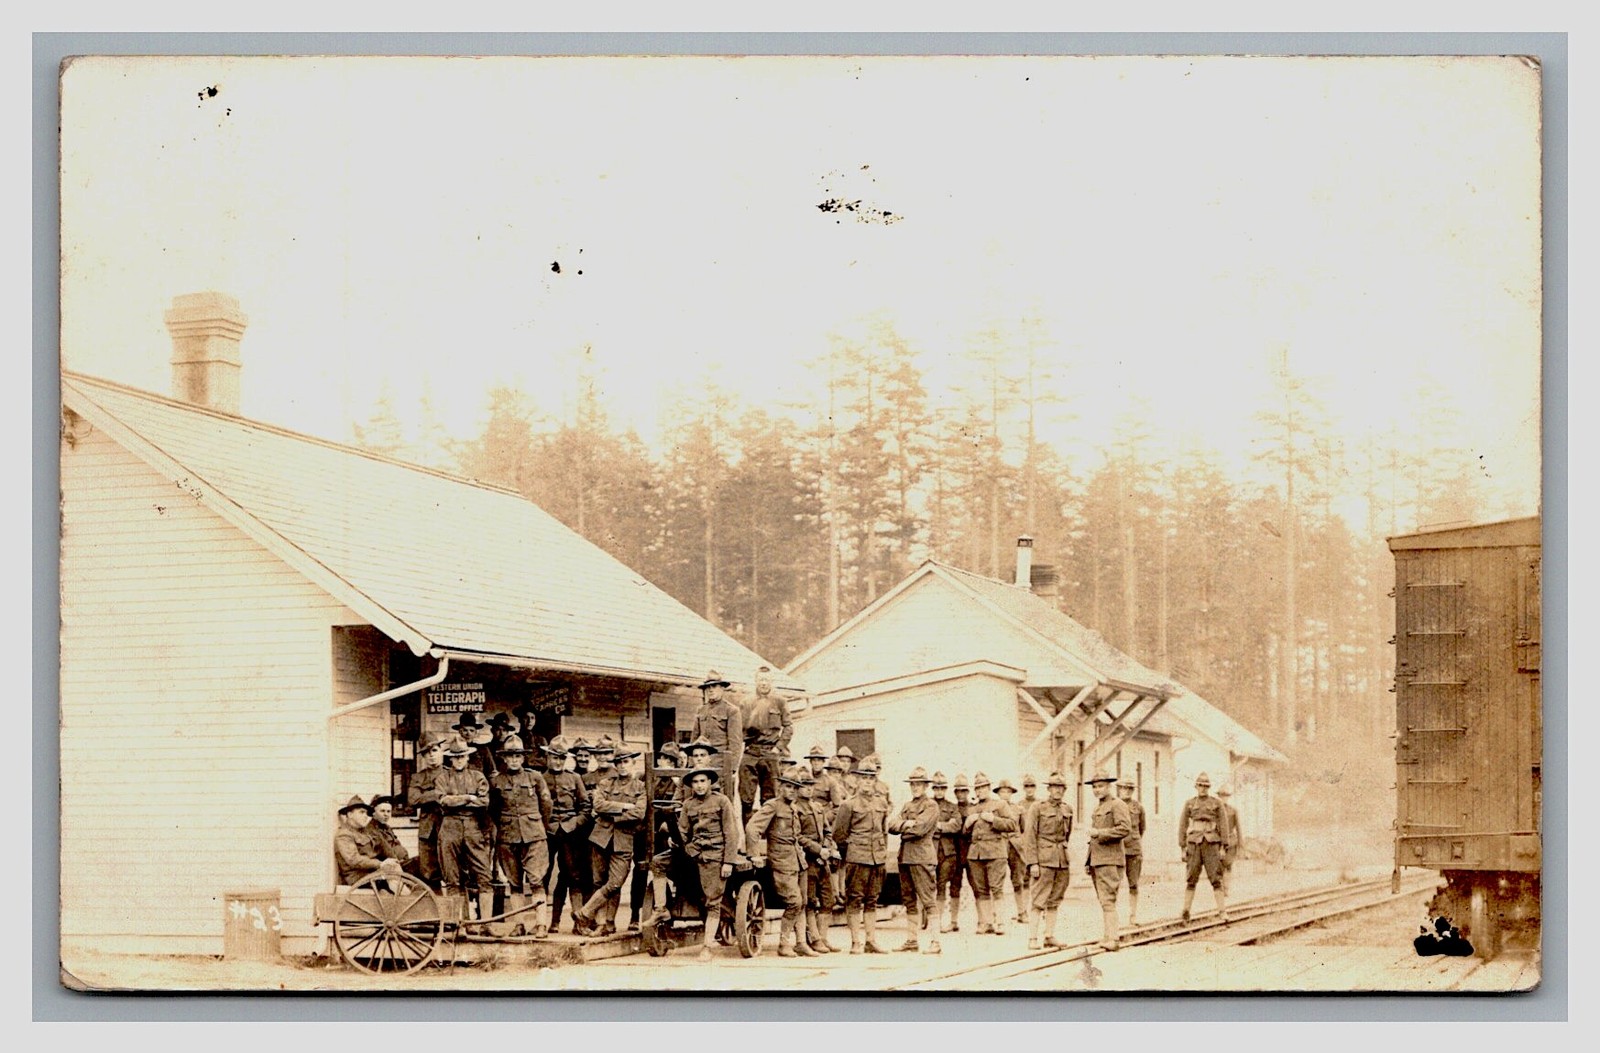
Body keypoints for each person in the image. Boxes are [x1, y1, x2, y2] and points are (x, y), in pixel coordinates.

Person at [573, 745, 646, 937]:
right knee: (599, 882)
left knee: (615, 882)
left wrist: (611, 815)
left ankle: (585, 912)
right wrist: (624, 806)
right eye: (619, 762)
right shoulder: (606, 783)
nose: (622, 766)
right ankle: (605, 924)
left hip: (624, 840)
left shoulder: (640, 786)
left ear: (633, 763)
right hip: (600, 838)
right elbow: (597, 805)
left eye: (626, 762)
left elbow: (639, 812)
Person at [745, 767, 817, 957]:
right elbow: (752, 828)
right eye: (788, 787)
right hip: (781, 862)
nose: (792, 791)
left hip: (798, 861)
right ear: (780, 787)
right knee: (794, 902)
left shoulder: (793, 808)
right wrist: (754, 854)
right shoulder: (772, 806)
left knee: (803, 902)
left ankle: (801, 942)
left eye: (795, 788)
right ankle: (784, 945)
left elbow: (796, 836)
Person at [489, 734, 554, 937]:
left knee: (536, 880)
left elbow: (547, 805)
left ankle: (541, 924)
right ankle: (519, 924)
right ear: (504, 758)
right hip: (508, 837)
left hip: (534, 836)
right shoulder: (496, 781)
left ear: (523, 758)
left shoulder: (535, 777)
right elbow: (492, 810)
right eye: (510, 756)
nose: (514, 760)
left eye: (518, 755)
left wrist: (539, 827)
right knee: (514, 883)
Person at [678, 763, 742, 962]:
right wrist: (684, 844)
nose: (698, 785)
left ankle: (707, 946)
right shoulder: (688, 805)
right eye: (695, 782)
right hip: (696, 854)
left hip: (716, 855)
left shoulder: (721, 801)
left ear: (710, 782)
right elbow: (683, 830)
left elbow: (731, 833)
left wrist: (728, 862)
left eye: (702, 781)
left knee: (713, 901)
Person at [832, 758, 890, 954]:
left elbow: (883, 831)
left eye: (871, 778)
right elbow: (839, 834)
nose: (867, 782)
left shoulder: (881, 802)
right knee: (855, 899)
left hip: (877, 858)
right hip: (857, 858)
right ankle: (856, 941)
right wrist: (852, 853)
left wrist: (882, 854)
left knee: (872, 899)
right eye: (864, 778)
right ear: (857, 780)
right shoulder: (848, 805)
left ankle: (871, 940)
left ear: (875, 780)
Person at [437, 736, 495, 932]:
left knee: (483, 875)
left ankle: (485, 924)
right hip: (450, 827)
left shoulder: (478, 776)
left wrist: (459, 800)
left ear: (467, 757)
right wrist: (469, 797)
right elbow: (443, 801)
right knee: (453, 877)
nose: (459, 760)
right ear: (450, 759)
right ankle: (459, 924)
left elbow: (484, 802)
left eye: (462, 756)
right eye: (455, 757)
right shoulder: (443, 778)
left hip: (473, 826)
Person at [888, 766, 941, 954]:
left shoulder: (931, 805)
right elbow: (891, 825)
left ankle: (935, 942)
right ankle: (912, 940)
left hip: (922, 858)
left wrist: (905, 828)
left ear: (925, 786)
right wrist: (906, 824)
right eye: (912, 784)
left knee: (928, 900)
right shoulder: (907, 806)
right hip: (905, 858)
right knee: (908, 900)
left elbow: (920, 829)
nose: (915, 787)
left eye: (919, 784)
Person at [542, 736, 592, 933]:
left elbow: (585, 806)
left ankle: (578, 922)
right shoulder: (540, 778)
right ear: (548, 757)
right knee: (542, 876)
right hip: (548, 832)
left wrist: (575, 823)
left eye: (562, 758)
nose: (558, 762)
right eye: (555, 757)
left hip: (570, 834)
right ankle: (546, 922)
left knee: (573, 876)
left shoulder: (574, 778)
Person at [1021, 772, 1075, 949]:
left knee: (1055, 899)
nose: (1057, 791)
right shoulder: (1038, 808)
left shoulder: (1067, 809)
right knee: (1038, 899)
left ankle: (1049, 935)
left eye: (1061, 788)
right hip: (1043, 861)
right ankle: (1032, 938)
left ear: (1064, 790)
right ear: (1049, 789)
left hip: (1061, 860)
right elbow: (1029, 836)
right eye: (1054, 787)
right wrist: (1033, 863)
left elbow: (1067, 835)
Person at [964, 772, 1019, 935]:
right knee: (981, 890)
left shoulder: (1000, 804)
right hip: (976, 855)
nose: (979, 791)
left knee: (997, 888)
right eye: (977, 788)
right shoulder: (971, 809)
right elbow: (965, 834)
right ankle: (987, 923)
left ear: (988, 788)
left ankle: (1000, 922)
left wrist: (993, 820)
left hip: (995, 853)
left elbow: (1012, 825)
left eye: (982, 787)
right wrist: (967, 824)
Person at [1177, 772, 1232, 923]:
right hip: (1194, 844)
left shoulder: (1217, 803)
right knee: (1191, 878)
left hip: (1211, 843)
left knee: (1216, 878)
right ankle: (1186, 912)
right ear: (1196, 786)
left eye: (1205, 786)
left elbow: (1223, 825)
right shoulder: (1189, 803)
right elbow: (1183, 825)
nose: (1203, 789)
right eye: (1200, 786)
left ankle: (1222, 911)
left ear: (1209, 788)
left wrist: (1223, 846)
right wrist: (1182, 847)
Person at [1085, 770, 1131, 949]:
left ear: (1109, 786)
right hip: (1098, 860)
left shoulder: (1117, 804)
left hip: (1110, 860)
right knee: (1104, 900)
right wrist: (1088, 861)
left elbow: (1124, 829)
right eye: (1095, 787)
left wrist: (1100, 833)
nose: (1097, 790)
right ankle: (1108, 936)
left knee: (1108, 900)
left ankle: (1113, 939)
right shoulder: (1098, 807)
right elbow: (1093, 837)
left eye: (1101, 786)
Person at [741, 665, 793, 823]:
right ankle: (749, 839)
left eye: (767, 680)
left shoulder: (780, 701)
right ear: (755, 681)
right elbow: (739, 728)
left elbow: (788, 726)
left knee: (770, 798)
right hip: (751, 752)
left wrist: (779, 748)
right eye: (761, 680)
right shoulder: (746, 702)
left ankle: (770, 838)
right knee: (746, 798)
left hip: (770, 753)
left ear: (772, 682)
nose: (764, 683)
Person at [795, 769, 839, 953]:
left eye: (811, 785)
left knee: (828, 900)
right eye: (805, 786)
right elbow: (797, 836)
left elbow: (828, 832)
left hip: (823, 860)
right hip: (807, 860)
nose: (809, 789)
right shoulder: (795, 809)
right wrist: (818, 849)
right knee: (810, 901)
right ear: (798, 788)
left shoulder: (818, 808)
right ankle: (814, 939)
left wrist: (827, 848)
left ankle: (823, 937)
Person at [692, 671, 744, 807]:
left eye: (714, 686)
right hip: (702, 765)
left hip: (721, 766)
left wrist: (731, 769)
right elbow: (694, 740)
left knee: (722, 804)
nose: (711, 690)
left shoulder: (731, 711)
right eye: (708, 687)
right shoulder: (701, 711)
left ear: (722, 688)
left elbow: (735, 743)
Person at [405, 732, 447, 887]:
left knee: (454, 872)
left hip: (449, 827)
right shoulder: (418, 777)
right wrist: (437, 794)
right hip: (427, 831)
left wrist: (425, 795)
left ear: (441, 751)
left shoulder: (451, 774)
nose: (431, 756)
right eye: (426, 753)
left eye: (434, 751)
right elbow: (413, 799)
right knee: (429, 874)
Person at [335, 796, 402, 886]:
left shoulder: (364, 832)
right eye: (361, 812)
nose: (366, 816)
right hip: (358, 877)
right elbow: (354, 860)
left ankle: (404, 895)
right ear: (350, 815)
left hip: (370, 873)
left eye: (366, 813)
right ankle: (404, 897)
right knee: (392, 880)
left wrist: (392, 860)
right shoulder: (344, 835)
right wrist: (380, 864)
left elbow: (380, 847)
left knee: (396, 869)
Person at [930, 772, 964, 935]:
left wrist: (937, 826)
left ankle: (942, 921)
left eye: (942, 788)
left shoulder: (952, 807)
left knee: (942, 885)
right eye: (936, 788)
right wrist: (944, 825)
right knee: (930, 886)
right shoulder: (928, 805)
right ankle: (930, 921)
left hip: (947, 852)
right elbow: (924, 825)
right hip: (930, 850)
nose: (939, 791)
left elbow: (956, 825)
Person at [994, 777, 1030, 924]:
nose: (1005, 794)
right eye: (1002, 792)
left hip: (1015, 847)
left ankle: (1022, 912)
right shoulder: (994, 808)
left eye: (1008, 792)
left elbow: (1022, 828)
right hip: (999, 846)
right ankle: (996, 914)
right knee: (996, 881)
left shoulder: (1018, 809)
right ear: (998, 794)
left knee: (1018, 880)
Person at [366, 795, 421, 878]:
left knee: (424, 861)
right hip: (389, 866)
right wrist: (400, 862)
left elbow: (397, 844)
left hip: (398, 862)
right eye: (382, 811)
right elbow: (386, 850)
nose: (386, 814)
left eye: (388, 812)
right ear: (374, 813)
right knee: (422, 863)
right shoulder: (372, 829)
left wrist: (405, 858)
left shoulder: (386, 827)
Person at [1118, 778, 1148, 925]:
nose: (1126, 791)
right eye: (1124, 788)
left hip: (1133, 849)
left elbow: (1142, 828)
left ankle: (1132, 915)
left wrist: (1134, 841)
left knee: (1133, 884)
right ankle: (1114, 916)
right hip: (1116, 849)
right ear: (1119, 789)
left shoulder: (1138, 808)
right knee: (1114, 884)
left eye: (1130, 789)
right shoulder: (1114, 805)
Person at [1217, 784, 1242, 899]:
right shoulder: (1215, 811)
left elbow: (1238, 827)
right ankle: (1221, 887)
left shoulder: (1233, 810)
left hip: (1231, 841)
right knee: (1219, 866)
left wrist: (1241, 843)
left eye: (1226, 796)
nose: (1224, 798)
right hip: (1218, 841)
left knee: (1228, 864)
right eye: (1221, 796)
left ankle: (1226, 888)